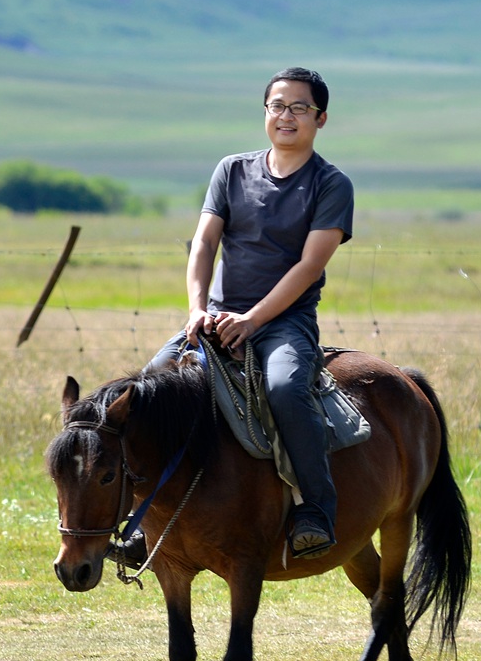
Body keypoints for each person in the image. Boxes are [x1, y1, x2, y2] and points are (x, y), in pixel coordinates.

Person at [148, 66, 354, 560]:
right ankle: (148, 519)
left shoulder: (331, 184)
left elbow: (309, 266)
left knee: (284, 388)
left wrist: (254, 320)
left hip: (284, 324)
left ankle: (316, 509)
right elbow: (203, 244)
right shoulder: (232, 170)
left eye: (299, 108)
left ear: (320, 119)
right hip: (216, 318)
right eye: (277, 106)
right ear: (265, 113)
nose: (286, 116)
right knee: (154, 381)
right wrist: (197, 309)